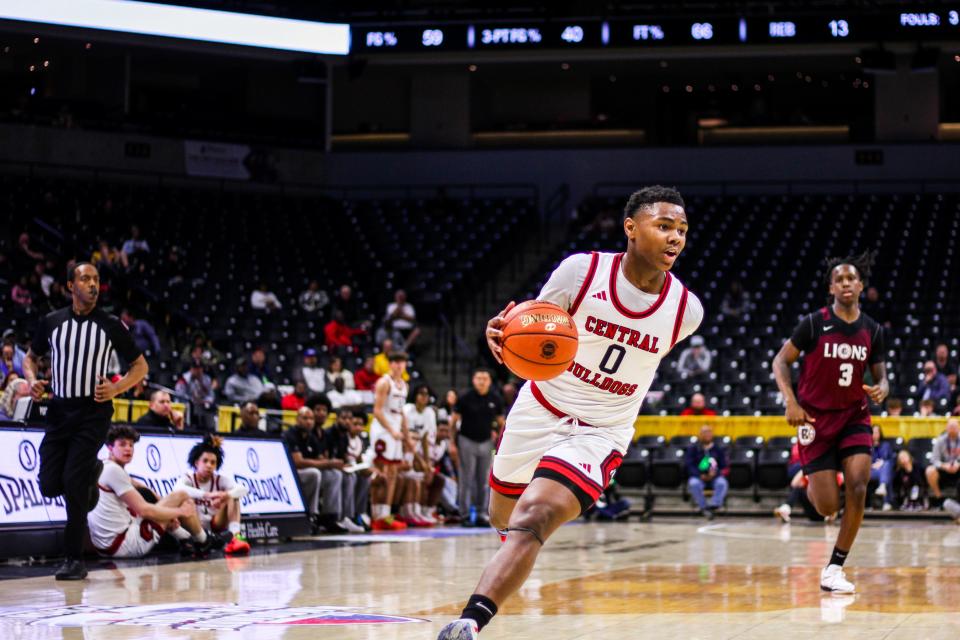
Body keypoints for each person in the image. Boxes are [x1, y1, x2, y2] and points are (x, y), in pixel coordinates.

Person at [438, 186, 703, 639]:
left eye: (681, 230)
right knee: (501, 515)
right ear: (630, 228)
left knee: (535, 514)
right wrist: (502, 334)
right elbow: (536, 328)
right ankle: (516, 548)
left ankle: (470, 622)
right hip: (540, 407)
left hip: (602, 430)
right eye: (663, 226)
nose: (675, 238)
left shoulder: (686, 310)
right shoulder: (581, 271)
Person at [22, 262, 149, 580]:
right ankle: (93, 472)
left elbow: (140, 366)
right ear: (70, 286)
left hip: (93, 413)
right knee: (51, 484)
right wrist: (32, 380)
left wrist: (116, 388)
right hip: (59, 411)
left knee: (74, 483)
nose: (93, 284)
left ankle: (73, 559)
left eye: (96, 279)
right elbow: (29, 358)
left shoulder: (110, 324)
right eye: (85, 278)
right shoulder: (52, 322)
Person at [772, 250, 888, 594]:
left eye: (851, 278)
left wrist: (882, 388)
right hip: (814, 419)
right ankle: (811, 482)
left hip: (854, 416)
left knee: (857, 486)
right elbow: (781, 362)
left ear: (861, 284)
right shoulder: (812, 323)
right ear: (831, 287)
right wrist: (790, 401)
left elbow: (883, 377)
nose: (846, 283)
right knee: (827, 506)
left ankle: (835, 567)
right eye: (839, 279)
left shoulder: (873, 330)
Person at [88, 425, 207, 559]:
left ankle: (185, 540)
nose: (128, 448)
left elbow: (141, 487)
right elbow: (145, 511)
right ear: (110, 447)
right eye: (122, 445)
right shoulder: (114, 471)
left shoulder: (105, 466)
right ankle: (203, 540)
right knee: (181, 495)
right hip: (124, 544)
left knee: (148, 500)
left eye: (131, 445)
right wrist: (179, 512)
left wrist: (164, 505)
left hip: (105, 546)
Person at [175, 435, 251, 554]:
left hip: (214, 525)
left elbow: (244, 489)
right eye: (205, 461)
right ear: (196, 462)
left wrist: (226, 495)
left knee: (233, 496)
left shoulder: (219, 480)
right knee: (182, 499)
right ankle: (188, 539)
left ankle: (235, 537)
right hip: (194, 526)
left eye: (213, 462)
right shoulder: (188, 478)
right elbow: (177, 489)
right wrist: (207, 495)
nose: (209, 465)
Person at [451, 369, 504, 528]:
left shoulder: (495, 398)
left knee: (484, 480)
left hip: (487, 441)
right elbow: (453, 422)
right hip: (466, 440)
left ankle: (482, 514)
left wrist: (501, 441)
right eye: (479, 378)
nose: (482, 381)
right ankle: (465, 515)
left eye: (485, 378)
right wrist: (452, 442)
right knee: (466, 478)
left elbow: (501, 422)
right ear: (473, 380)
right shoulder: (465, 397)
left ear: (489, 381)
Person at [283, 406, 349, 533]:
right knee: (314, 473)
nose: (309, 422)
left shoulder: (311, 437)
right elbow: (298, 462)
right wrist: (329, 463)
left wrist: (331, 464)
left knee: (335, 474)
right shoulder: (290, 434)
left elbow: (321, 458)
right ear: (297, 419)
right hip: (292, 473)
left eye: (311, 419)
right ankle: (312, 515)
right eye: (305, 418)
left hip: (310, 472)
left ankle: (331, 518)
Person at [368, 352, 411, 531]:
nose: (398, 365)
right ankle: (375, 514)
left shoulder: (404, 385)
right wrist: (391, 430)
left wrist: (406, 436)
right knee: (380, 471)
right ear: (389, 364)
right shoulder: (384, 382)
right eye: (395, 362)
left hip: (395, 429)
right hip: (382, 430)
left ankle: (385, 513)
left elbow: (401, 413)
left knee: (393, 472)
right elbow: (377, 410)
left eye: (401, 362)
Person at [322, 407, 371, 533]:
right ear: (336, 418)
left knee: (363, 476)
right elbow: (326, 457)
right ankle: (339, 516)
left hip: (340, 468)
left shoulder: (345, 437)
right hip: (327, 468)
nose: (347, 421)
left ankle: (355, 514)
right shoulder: (328, 433)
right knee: (347, 476)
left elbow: (343, 458)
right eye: (344, 418)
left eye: (350, 419)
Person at [685, 425, 728, 518]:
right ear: (700, 435)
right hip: (699, 477)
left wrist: (715, 473)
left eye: (709, 432)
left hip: (715, 477)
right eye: (704, 432)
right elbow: (689, 465)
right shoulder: (693, 449)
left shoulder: (718, 449)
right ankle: (704, 507)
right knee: (693, 483)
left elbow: (724, 466)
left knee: (722, 483)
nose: (707, 434)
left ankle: (714, 505)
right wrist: (699, 475)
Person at [925, 418, 960, 506]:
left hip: (958, 467)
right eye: (950, 426)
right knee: (930, 471)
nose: (952, 428)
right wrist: (944, 466)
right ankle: (939, 498)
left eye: (954, 426)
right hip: (944, 469)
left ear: (959, 427)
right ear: (946, 428)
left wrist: (958, 464)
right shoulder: (940, 440)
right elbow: (934, 460)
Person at [174, 359, 217, 431]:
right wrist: (194, 400)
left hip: (203, 405)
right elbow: (180, 395)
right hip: (188, 406)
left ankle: (210, 430)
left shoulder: (206, 379)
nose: (198, 370)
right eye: (195, 368)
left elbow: (211, 395)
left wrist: (206, 401)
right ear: (191, 369)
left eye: (200, 368)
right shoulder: (184, 379)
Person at [869, 425, 894, 511]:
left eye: (877, 432)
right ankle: (887, 502)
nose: (875, 434)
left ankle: (883, 486)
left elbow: (887, 458)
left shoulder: (885, 445)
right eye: (873, 432)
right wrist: (872, 465)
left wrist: (882, 462)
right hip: (870, 471)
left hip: (882, 470)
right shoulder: (867, 446)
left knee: (886, 466)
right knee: (886, 472)